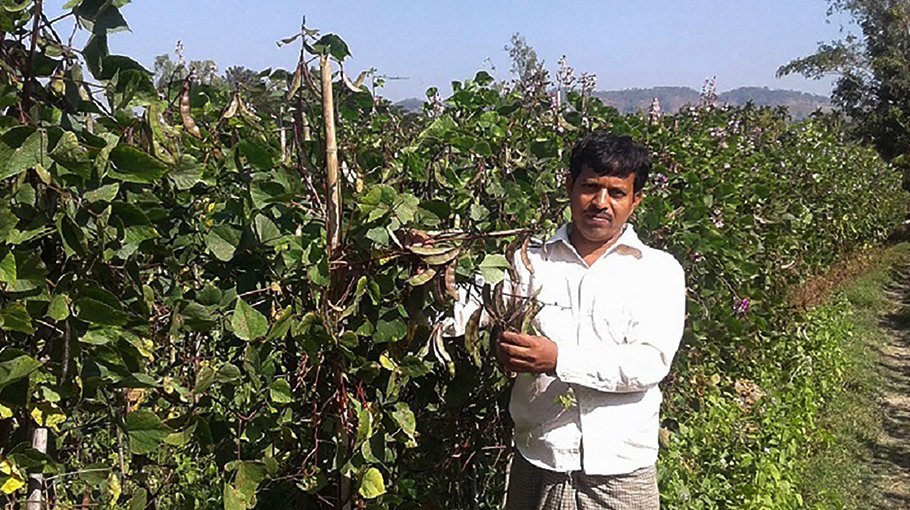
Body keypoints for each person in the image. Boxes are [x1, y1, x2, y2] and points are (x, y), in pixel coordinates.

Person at [496, 130, 686, 509]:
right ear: (570, 187)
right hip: (539, 459)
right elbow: (475, 310)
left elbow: (649, 363)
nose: (600, 202)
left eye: (616, 192)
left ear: (636, 200)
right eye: (590, 187)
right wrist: (434, 264)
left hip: (621, 471)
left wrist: (558, 360)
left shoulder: (658, 271)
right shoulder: (529, 261)